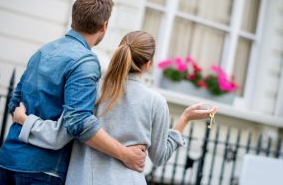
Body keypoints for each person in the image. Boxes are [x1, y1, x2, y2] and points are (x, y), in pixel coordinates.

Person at [12, 31, 217, 185]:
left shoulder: (91, 88)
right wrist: (184, 120)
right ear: (148, 64)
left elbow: (61, 133)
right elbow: (159, 157)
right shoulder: (156, 102)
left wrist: (25, 120)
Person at [0, 0, 146, 185]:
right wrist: (125, 154)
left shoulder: (45, 50)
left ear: (74, 18)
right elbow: (79, 123)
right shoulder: (85, 61)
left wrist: (26, 120)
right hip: (42, 170)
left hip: (8, 160)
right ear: (104, 26)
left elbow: (15, 104)